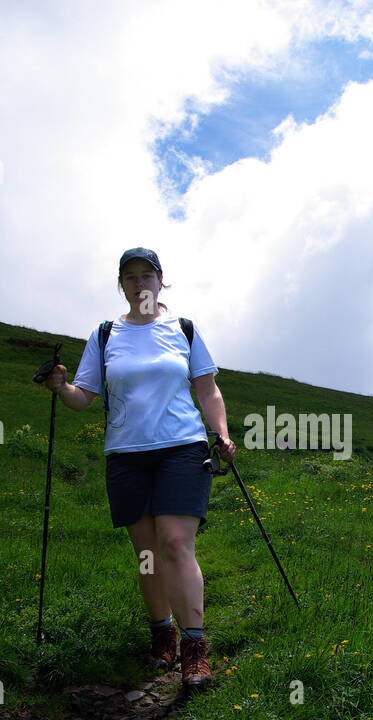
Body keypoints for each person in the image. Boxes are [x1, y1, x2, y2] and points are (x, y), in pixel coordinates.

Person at [46, 247, 236, 690]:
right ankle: (161, 635)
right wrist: (61, 387)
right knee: (148, 555)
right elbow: (83, 397)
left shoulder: (183, 330)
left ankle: (194, 651)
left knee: (174, 544)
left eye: (146, 274)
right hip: (127, 454)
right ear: (121, 284)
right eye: (129, 276)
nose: (138, 283)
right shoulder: (105, 335)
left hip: (182, 449)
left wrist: (221, 433)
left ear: (160, 281)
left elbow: (207, 389)